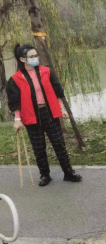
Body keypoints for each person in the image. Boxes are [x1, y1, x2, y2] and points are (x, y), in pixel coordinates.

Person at [7, 44, 82, 186]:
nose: (36, 58)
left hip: (50, 113)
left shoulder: (46, 72)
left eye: (36, 56)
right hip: (31, 116)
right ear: (23, 59)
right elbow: (14, 101)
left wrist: (62, 110)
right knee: (39, 147)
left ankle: (68, 172)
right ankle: (45, 175)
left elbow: (57, 91)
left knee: (59, 144)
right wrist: (17, 119)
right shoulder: (16, 79)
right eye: (32, 56)